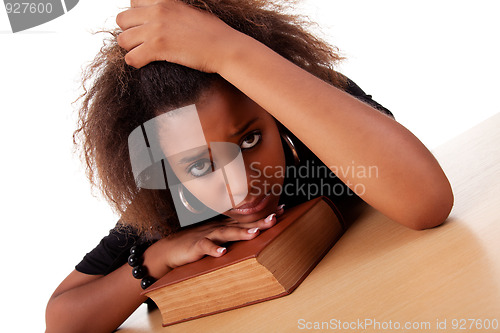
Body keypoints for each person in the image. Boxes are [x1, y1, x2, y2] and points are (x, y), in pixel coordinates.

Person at [45, 0, 454, 332]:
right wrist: (159, 257)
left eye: (250, 140)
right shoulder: (170, 203)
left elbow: (428, 202)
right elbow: (62, 320)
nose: (241, 188)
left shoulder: (314, 110)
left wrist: (228, 49)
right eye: (200, 167)